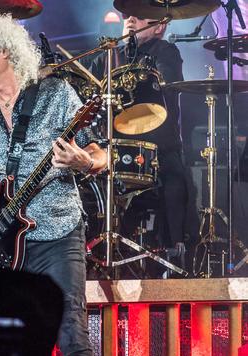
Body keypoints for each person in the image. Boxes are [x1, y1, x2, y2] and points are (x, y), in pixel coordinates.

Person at [0, 13, 107, 356]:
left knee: (71, 333)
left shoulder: (56, 94)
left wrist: (83, 162)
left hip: (57, 235)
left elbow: (100, 153)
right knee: (11, 346)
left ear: (5, 50)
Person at [88, 14, 195, 272]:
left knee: (176, 177)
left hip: (158, 146)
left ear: (160, 27)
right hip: (113, 146)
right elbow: (85, 93)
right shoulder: (108, 56)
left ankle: (175, 250)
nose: (131, 19)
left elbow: (168, 85)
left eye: (141, 15)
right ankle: (92, 250)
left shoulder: (166, 51)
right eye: (129, 15)